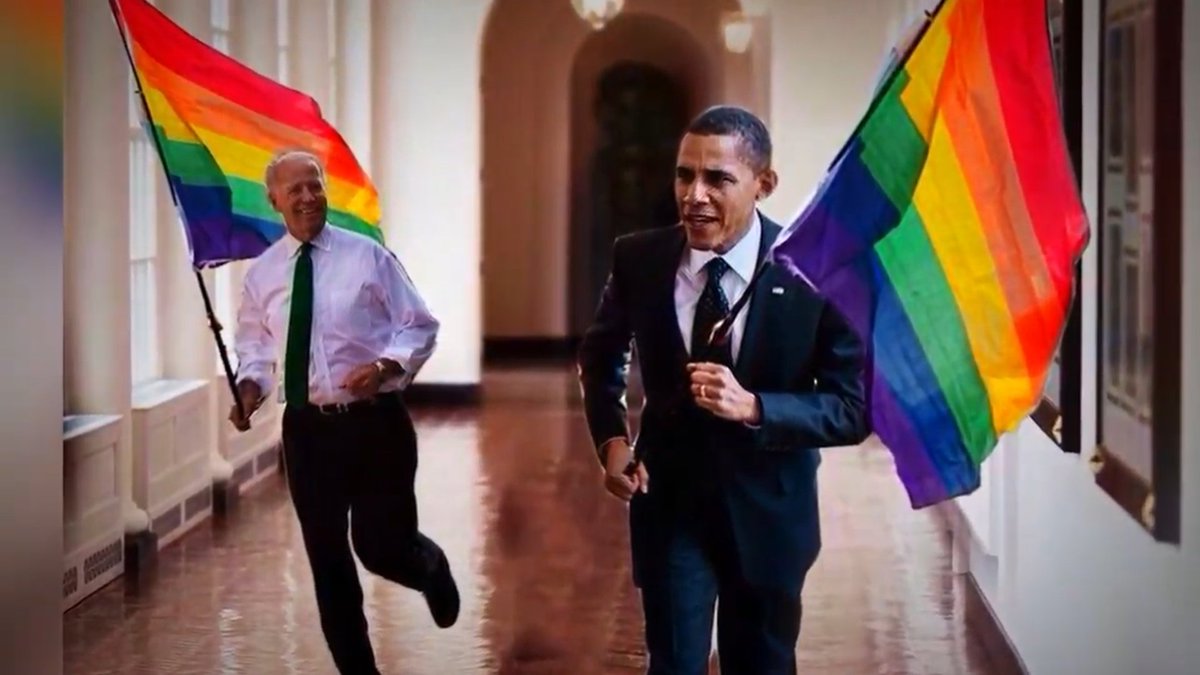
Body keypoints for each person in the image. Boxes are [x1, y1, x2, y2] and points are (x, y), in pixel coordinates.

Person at [577, 106, 869, 673]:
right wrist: (611, 441)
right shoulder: (639, 257)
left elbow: (852, 408)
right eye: (685, 175)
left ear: (764, 184)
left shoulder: (816, 271)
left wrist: (756, 407)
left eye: (718, 179)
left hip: (770, 515)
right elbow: (601, 354)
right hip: (669, 506)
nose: (695, 195)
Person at [228, 149, 459, 674]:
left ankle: (429, 566)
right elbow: (255, 348)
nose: (308, 197)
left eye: (315, 186)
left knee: (380, 547)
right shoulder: (263, 275)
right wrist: (249, 388)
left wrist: (383, 366)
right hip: (307, 433)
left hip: (376, 423)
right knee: (329, 563)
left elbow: (420, 325)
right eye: (295, 190)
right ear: (274, 201)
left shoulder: (367, 257)